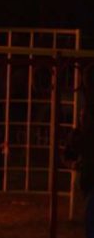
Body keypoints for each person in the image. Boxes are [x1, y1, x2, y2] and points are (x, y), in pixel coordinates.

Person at [65, 94, 93, 238]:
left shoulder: (85, 135)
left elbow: (76, 146)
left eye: (84, 116)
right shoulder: (82, 134)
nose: (82, 118)